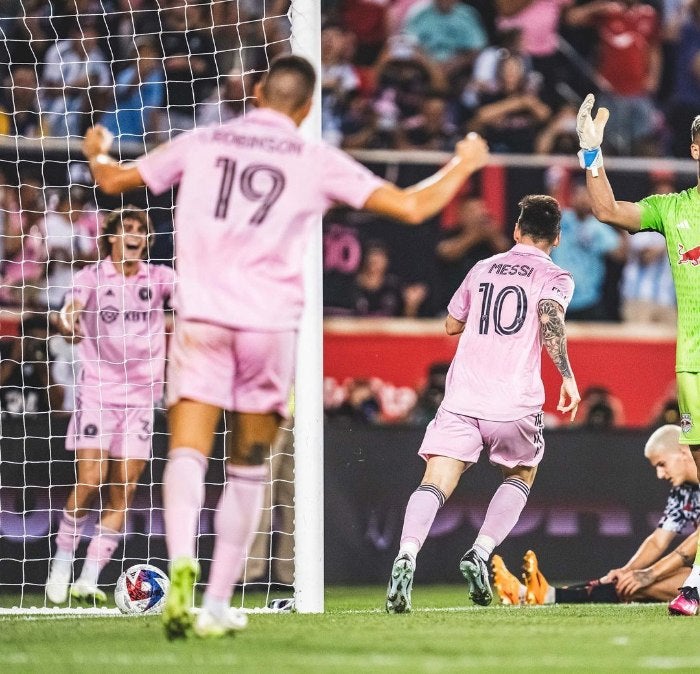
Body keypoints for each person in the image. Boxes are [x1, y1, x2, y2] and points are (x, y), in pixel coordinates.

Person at [80, 54, 490, 638]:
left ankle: (179, 570)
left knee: (189, 452)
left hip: (201, 317)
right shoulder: (313, 158)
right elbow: (413, 206)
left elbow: (114, 181)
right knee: (248, 464)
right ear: (304, 108)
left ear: (255, 91)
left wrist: (97, 148)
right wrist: (464, 161)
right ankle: (217, 603)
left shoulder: (203, 140)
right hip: (268, 325)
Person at [385, 194, 580, 614]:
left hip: (463, 397)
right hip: (514, 402)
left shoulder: (482, 268)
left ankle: (407, 553)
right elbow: (549, 319)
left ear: (516, 230)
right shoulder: (556, 276)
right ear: (557, 238)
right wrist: (566, 375)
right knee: (522, 473)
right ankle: (481, 550)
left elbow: (451, 323)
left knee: (434, 481)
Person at [575, 94, 700, 615]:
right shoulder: (674, 210)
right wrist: (590, 154)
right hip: (693, 360)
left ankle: (692, 588)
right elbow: (606, 210)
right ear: (694, 149)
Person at [44, 207, 175, 606]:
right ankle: (62, 562)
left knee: (124, 488)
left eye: (141, 230)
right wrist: (66, 322)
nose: (134, 235)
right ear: (112, 238)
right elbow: (67, 311)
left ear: (147, 241)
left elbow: (198, 301)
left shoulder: (161, 279)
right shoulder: (91, 278)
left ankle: (88, 577)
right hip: (99, 391)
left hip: (142, 397)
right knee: (91, 479)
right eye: (127, 229)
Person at [492, 425, 700, 605]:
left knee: (646, 583)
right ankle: (540, 594)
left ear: (684, 451)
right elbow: (657, 541)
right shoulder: (684, 491)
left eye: (662, 464)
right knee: (638, 581)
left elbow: (696, 541)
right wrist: (627, 570)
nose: (660, 475)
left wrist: (650, 573)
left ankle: (541, 595)